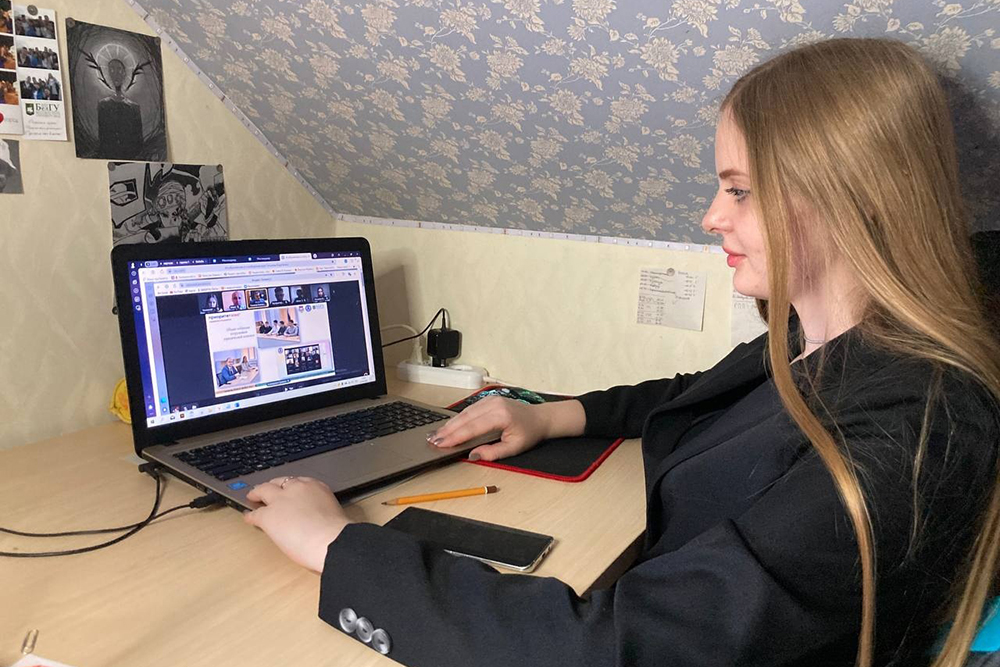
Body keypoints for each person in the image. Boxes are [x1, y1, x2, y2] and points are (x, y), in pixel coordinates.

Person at [242, 38, 1000, 667]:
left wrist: (335, 545)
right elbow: (698, 392)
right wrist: (550, 416)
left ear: (851, 195)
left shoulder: (914, 428)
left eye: (740, 190)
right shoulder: (821, 335)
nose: (711, 216)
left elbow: (614, 649)